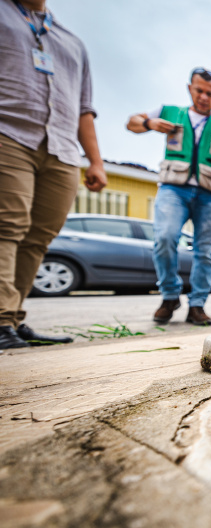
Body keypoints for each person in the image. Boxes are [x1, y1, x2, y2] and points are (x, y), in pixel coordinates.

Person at [0, 0, 107, 350]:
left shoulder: (71, 41)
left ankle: (13, 318)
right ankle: (1, 321)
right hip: (9, 134)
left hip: (61, 147)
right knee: (7, 225)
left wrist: (95, 161)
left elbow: (84, 108)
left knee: (38, 235)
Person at [126, 67, 211, 326]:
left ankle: (197, 304)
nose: (204, 97)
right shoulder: (169, 113)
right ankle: (170, 295)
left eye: (210, 93)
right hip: (174, 189)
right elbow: (132, 122)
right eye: (199, 91)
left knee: (205, 251)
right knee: (165, 237)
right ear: (190, 89)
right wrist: (150, 124)